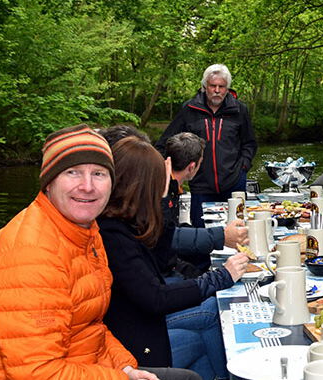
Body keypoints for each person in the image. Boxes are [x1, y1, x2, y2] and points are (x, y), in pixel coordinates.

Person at [0, 125, 177, 379]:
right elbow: (38, 372)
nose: (87, 186)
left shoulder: (85, 234)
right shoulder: (32, 256)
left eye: (99, 173)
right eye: (72, 172)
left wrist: (125, 367)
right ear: (49, 182)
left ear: (112, 183)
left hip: (80, 365)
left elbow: (91, 327)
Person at [99, 137, 249, 379]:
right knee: (210, 319)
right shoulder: (113, 235)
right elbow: (155, 296)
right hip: (136, 339)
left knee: (207, 327)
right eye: (158, 181)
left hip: (142, 323)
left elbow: (161, 251)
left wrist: (163, 197)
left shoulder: (128, 222)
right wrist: (220, 277)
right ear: (143, 185)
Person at [156, 63, 257, 228]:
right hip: (201, 185)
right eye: (213, 86)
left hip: (234, 184)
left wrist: (243, 166)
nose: (217, 90)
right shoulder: (189, 109)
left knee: (237, 231)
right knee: (201, 233)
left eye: (221, 86)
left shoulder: (239, 110)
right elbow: (166, 142)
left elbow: (250, 143)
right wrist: (165, 172)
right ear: (205, 87)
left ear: (227, 88)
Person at [162, 132, 249, 275]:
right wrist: (221, 236)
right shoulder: (163, 191)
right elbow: (168, 237)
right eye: (200, 163)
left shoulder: (169, 185)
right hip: (164, 273)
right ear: (191, 167)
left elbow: (172, 229)